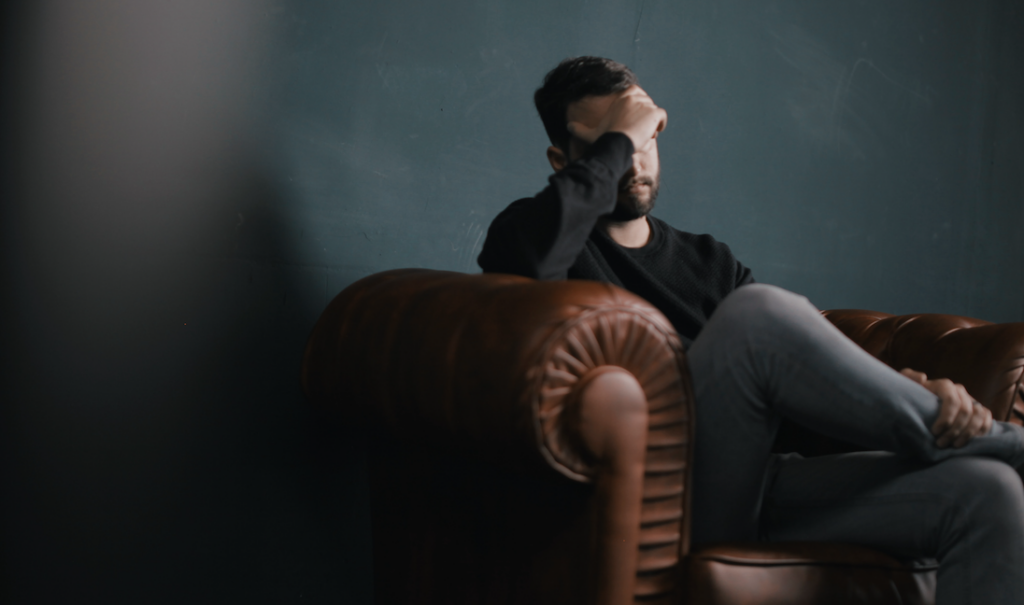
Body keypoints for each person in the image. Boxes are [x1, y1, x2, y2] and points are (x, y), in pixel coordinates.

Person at [477, 56, 1024, 604]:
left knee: (988, 492)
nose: (635, 159)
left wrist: (912, 389)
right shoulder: (531, 232)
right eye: (618, 142)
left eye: (647, 136)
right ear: (562, 160)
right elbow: (525, 262)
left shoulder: (709, 260)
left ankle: (968, 440)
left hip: (760, 485)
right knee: (757, 316)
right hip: (662, 498)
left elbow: (801, 372)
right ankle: (999, 442)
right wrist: (622, 135)